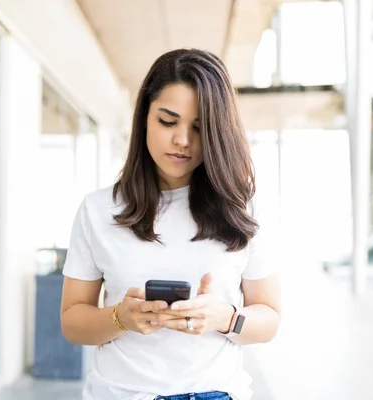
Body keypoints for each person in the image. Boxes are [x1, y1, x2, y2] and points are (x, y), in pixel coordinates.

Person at [60, 48, 281, 400]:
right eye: (168, 121)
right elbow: (72, 322)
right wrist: (121, 317)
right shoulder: (98, 209)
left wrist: (225, 318)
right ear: (144, 118)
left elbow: (268, 319)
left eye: (199, 127)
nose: (182, 140)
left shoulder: (243, 208)